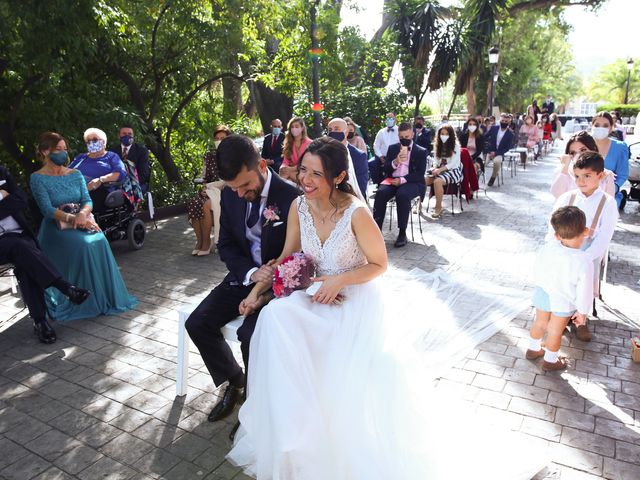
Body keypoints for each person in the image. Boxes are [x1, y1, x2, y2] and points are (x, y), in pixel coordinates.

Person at [227, 136, 547, 479]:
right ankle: (294, 431)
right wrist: (258, 292)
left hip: (353, 300)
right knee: (276, 316)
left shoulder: (356, 212)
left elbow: (379, 265)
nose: (305, 179)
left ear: (337, 177)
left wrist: (339, 280)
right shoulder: (298, 207)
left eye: (316, 174)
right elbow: (288, 256)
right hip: (317, 294)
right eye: (303, 170)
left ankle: (335, 438)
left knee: (336, 361)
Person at [184, 135, 299, 432]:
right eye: (233, 187)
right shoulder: (231, 194)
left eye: (245, 185)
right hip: (243, 277)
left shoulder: (292, 198)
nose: (240, 193)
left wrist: (269, 279)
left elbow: (303, 253)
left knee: (251, 335)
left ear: (261, 165)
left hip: (278, 286)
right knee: (197, 323)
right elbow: (226, 245)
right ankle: (237, 382)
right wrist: (250, 273)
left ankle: (255, 406)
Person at [29, 132, 137, 321]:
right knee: (85, 245)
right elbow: (47, 209)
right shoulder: (37, 178)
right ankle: (78, 296)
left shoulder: (75, 174)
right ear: (45, 151)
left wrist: (82, 214)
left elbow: (86, 200)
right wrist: (73, 219)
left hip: (82, 219)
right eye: (58, 149)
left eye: (64, 149)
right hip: (56, 228)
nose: (63, 153)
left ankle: (103, 297)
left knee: (100, 240)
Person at [0, 164, 90, 343]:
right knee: (21, 248)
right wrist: (3, 196)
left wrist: (7, 200)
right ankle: (66, 288)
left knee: (24, 258)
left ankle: (40, 321)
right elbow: (13, 203)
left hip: (18, 235)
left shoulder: (1, 171)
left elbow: (21, 200)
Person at [548, 151, 618, 342]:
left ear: (600, 175)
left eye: (587, 176)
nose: (581, 181)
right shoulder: (567, 198)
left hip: (589, 252)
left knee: (584, 288)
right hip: (563, 250)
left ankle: (582, 320)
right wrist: (555, 248)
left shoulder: (608, 203)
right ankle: (560, 319)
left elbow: (605, 235)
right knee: (562, 285)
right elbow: (552, 224)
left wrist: (587, 256)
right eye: (577, 176)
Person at [528, 206, 592, 371]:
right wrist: (582, 312)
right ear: (586, 231)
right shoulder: (584, 260)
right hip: (563, 300)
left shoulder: (549, 246)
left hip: (543, 292)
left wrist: (542, 285)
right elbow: (585, 290)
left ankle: (533, 349)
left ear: (557, 235)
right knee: (555, 331)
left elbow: (537, 267)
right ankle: (550, 360)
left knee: (540, 323)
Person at [372, 122, 427, 247]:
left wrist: (402, 180)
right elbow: (385, 169)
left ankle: (402, 233)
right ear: (398, 136)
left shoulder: (420, 151)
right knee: (380, 193)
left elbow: (419, 174)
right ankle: (376, 231)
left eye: (407, 137)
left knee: (402, 195)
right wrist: (395, 161)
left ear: (412, 134)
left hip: (411, 182)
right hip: (392, 180)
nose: (404, 140)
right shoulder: (393, 148)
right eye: (402, 137)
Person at [186, 125, 230, 256]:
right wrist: (205, 188)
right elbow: (204, 177)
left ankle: (207, 242)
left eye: (222, 138)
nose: (219, 141)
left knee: (206, 205)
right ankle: (200, 241)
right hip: (210, 189)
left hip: (226, 190)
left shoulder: (233, 156)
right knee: (194, 203)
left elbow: (231, 179)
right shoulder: (209, 157)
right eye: (216, 138)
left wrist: (213, 187)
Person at [69, 128, 127, 212]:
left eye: (95, 140)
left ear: (104, 142)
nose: (91, 142)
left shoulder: (111, 156)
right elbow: (66, 172)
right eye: (88, 141)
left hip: (99, 189)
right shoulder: (81, 157)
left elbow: (120, 173)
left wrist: (101, 180)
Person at [550, 131, 615, 199]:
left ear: (593, 149)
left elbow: (609, 203)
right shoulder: (564, 172)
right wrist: (564, 167)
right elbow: (557, 196)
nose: (579, 155)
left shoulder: (606, 175)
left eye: (583, 150)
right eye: (573, 153)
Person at [591, 111, 629, 208]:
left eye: (605, 125)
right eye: (597, 125)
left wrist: (613, 189)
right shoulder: (584, 144)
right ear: (592, 126)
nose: (601, 128)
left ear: (611, 127)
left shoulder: (620, 147)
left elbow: (622, 175)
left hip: (609, 195)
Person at [426, 124, 464, 218]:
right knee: (424, 179)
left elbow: (453, 163)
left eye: (446, 134)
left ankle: (438, 207)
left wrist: (440, 170)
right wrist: (435, 168)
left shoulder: (456, 146)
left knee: (437, 181)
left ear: (451, 135)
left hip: (453, 171)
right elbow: (436, 160)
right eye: (442, 134)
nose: (444, 136)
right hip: (439, 169)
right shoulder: (437, 145)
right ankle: (419, 204)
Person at [327, 117, 367, 199]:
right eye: (330, 130)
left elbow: (361, 186)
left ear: (346, 132)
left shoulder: (358, 156)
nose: (333, 132)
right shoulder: (323, 153)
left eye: (337, 129)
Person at [111, 126, 150, 194]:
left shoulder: (142, 151)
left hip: (136, 183)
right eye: (124, 133)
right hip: (116, 184)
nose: (127, 136)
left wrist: (129, 184)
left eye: (130, 134)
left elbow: (144, 174)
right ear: (119, 136)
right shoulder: (112, 151)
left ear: (133, 136)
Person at [370, 112, 399, 186]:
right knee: (372, 163)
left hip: (395, 157)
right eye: (388, 118)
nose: (389, 120)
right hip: (382, 156)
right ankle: (379, 183)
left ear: (395, 119)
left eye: (391, 118)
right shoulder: (381, 132)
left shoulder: (399, 131)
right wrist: (380, 156)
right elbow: (376, 145)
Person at [486, 113, 515, 186]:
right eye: (502, 120)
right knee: (483, 163)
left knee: (497, 162)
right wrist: (489, 151)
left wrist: (496, 153)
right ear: (500, 120)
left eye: (506, 121)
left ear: (509, 123)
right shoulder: (493, 128)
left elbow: (507, 148)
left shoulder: (510, 134)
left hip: (499, 153)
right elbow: (485, 137)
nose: (504, 122)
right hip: (489, 151)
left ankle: (493, 177)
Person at [280, 117, 312, 182]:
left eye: (297, 126)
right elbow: (285, 161)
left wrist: (291, 169)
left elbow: (308, 164)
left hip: (306, 172)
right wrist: (283, 167)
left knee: (287, 175)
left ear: (302, 128)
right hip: (292, 172)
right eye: (292, 127)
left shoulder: (310, 143)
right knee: (283, 173)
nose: (294, 129)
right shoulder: (289, 143)